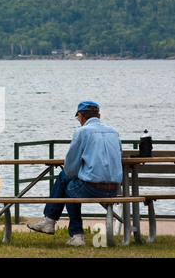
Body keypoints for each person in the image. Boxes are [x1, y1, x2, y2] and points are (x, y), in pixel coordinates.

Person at [27, 100, 123, 246]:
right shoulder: (113, 131)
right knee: (68, 182)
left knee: (67, 184)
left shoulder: (82, 132)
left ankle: (69, 231)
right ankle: (50, 221)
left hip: (93, 189)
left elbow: (70, 168)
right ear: (99, 115)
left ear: (80, 116)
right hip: (114, 189)